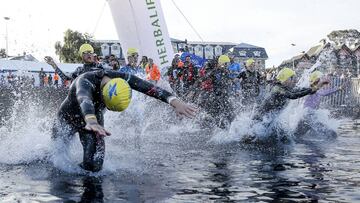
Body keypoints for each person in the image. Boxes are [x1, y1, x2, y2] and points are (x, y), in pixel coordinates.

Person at [52, 69, 196, 172]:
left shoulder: (120, 78)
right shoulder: (84, 82)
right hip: (69, 118)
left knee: (95, 165)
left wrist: (174, 101)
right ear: (103, 95)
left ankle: (79, 171)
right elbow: (84, 99)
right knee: (57, 158)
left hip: (94, 120)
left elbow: (148, 87)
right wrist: (91, 121)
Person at [295, 71, 344, 137]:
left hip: (309, 116)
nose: (323, 80)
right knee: (331, 134)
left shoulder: (317, 89)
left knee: (298, 135)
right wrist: (338, 88)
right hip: (308, 116)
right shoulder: (311, 89)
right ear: (317, 80)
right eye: (321, 78)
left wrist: (338, 88)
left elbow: (325, 92)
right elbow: (325, 92)